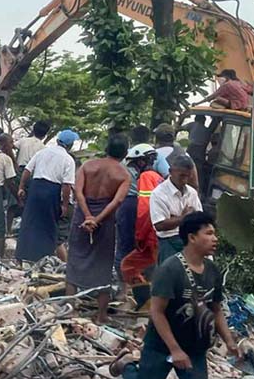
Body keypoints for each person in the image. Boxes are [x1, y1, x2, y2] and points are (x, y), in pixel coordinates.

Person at [110, 211, 240, 379]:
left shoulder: (213, 272)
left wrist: (229, 341)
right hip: (161, 345)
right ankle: (127, 366)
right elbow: (156, 312)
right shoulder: (170, 268)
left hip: (194, 349)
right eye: (209, 233)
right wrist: (174, 350)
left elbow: (216, 310)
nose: (215, 238)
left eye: (214, 232)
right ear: (192, 238)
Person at [66, 133, 131, 324]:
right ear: (125, 153)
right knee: (103, 265)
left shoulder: (88, 166)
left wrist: (87, 216)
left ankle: (70, 309)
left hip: (81, 218)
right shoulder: (124, 175)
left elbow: (78, 192)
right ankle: (101, 315)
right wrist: (98, 219)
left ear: (106, 148)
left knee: (75, 260)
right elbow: (117, 201)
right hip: (105, 222)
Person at [15, 130, 78, 263]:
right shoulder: (68, 159)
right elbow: (66, 185)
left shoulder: (42, 152)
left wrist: (21, 187)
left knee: (29, 222)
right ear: (70, 144)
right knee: (48, 226)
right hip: (52, 192)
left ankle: (22, 257)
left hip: (35, 188)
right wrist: (64, 205)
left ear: (57, 141)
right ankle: (43, 258)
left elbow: (27, 170)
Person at [150, 154, 204, 263]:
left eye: (188, 176)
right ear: (171, 171)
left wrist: (175, 219)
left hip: (190, 241)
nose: (185, 180)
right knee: (170, 277)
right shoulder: (158, 194)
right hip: (168, 243)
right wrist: (184, 218)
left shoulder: (191, 193)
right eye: (181, 176)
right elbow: (159, 225)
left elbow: (200, 219)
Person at [116, 144, 159, 274]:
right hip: (148, 219)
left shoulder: (145, 177)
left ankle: (124, 287)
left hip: (136, 212)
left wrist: (141, 233)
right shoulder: (155, 176)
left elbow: (145, 207)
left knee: (125, 247)